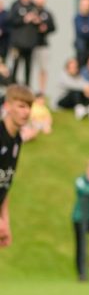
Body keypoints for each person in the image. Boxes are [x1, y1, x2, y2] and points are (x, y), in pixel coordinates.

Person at [0, 85, 32, 249]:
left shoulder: (17, 139)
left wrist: (6, 222)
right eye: (21, 106)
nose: (27, 112)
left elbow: (4, 186)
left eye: (29, 107)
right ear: (7, 106)